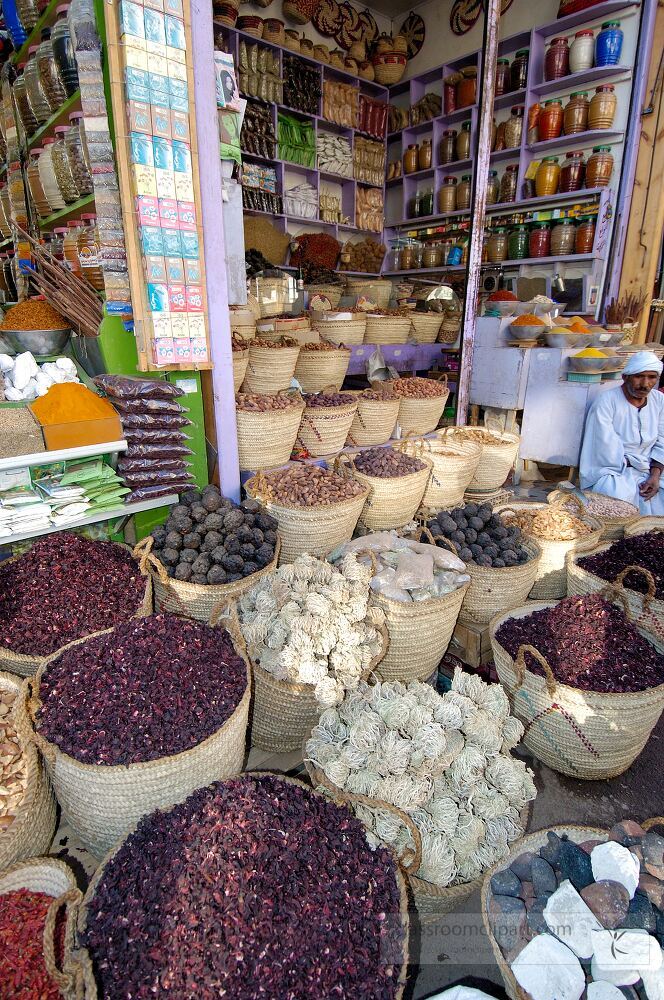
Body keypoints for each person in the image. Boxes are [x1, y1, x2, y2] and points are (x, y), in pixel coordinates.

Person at [579, 350, 664, 515]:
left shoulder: (659, 400)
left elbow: (662, 439)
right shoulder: (606, 402)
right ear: (626, 377)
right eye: (639, 376)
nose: (645, 384)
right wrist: (639, 469)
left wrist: (653, 475)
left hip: (653, 466)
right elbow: (604, 449)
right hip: (616, 469)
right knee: (615, 496)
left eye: (652, 377)